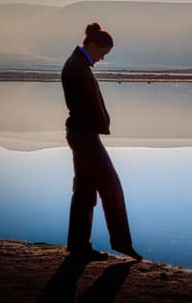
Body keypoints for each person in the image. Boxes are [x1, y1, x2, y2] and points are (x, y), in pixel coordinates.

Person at [61, 22, 143, 262]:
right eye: (103, 54)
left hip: (82, 134)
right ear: (94, 45)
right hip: (84, 136)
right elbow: (82, 105)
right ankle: (121, 242)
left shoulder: (77, 64)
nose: (102, 59)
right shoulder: (77, 66)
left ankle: (78, 247)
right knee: (111, 187)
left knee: (85, 191)